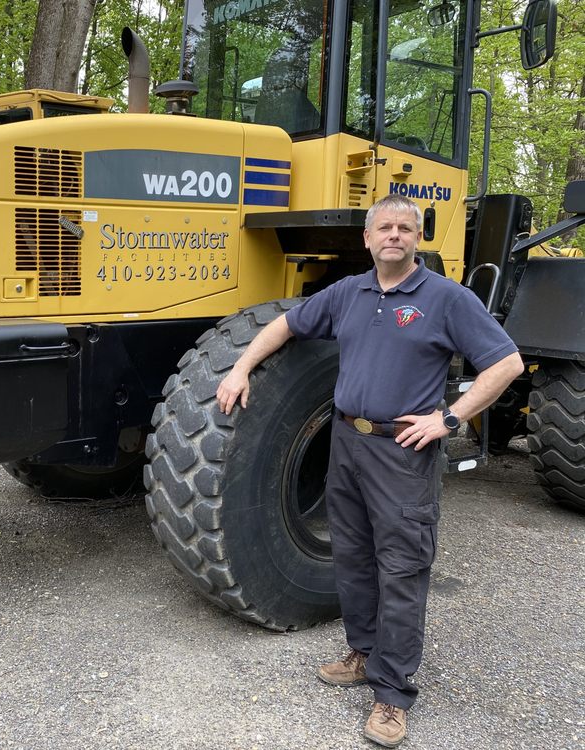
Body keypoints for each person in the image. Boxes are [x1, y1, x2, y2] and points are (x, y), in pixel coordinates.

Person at [216, 194, 523, 748]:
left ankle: (393, 692)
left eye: (405, 228)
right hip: (347, 443)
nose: (394, 236)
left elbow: (507, 363)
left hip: (402, 452)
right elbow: (284, 325)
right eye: (384, 227)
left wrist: (449, 419)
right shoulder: (348, 293)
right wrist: (240, 368)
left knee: (401, 566)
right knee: (353, 558)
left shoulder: (446, 299)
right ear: (367, 237)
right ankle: (363, 653)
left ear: (417, 238)